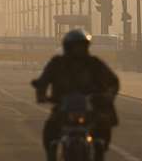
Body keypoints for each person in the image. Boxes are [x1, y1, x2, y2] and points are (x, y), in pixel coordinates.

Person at [32, 29, 119, 161]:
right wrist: (41, 94)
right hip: (63, 106)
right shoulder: (57, 63)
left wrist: (108, 95)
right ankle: (51, 153)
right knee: (50, 128)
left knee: (103, 123)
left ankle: (99, 150)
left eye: (81, 46)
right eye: (75, 46)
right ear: (68, 47)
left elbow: (113, 81)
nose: (78, 50)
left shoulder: (94, 63)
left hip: (89, 106)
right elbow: (43, 80)